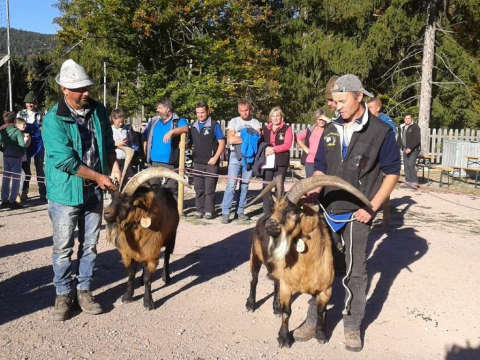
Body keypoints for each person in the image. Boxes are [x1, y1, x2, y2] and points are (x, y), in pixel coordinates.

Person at [293, 74, 400, 352]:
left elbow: (392, 174)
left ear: (359, 97)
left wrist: (372, 207)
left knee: (355, 271)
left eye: (342, 101)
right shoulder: (330, 130)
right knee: (319, 267)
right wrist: (314, 189)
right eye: (335, 101)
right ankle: (313, 318)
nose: (336, 106)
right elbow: (319, 166)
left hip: (357, 214)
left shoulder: (380, 132)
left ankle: (352, 325)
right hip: (327, 211)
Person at [42, 59, 121, 321]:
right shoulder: (54, 119)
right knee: (62, 248)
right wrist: (99, 176)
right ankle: (63, 293)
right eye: (79, 89)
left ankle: (84, 289)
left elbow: (108, 143)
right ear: (64, 89)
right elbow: (64, 160)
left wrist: (115, 166)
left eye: (87, 87)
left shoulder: (98, 111)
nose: (86, 93)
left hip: (93, 194)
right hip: (65, 193)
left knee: (90, 246)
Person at [221, 100, 262, 224]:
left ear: (250, 109)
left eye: (246, 110)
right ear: (238, 110)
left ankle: (240, 211)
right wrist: (248, 138)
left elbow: (257, 139)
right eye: (242, 110)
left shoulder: (255, 122)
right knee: (231, 185)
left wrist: (240, 136)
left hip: (250, 157)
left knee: (245, 185)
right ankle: (226, 212)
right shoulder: (234, 121)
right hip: (235, 156)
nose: (244, 113)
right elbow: (230, 140)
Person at [143, 99, 188, 200]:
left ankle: (173, 210)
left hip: (171, 162)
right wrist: (145, 149)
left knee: (171, 188)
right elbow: (144, 136)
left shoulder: (178, 121)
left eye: (159, 108)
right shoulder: (154, 121)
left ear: (167, 109)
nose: (157, 110)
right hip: (154, 161)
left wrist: (172, 132)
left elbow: (185, 128)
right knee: (154, 187)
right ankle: (158, 209)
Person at [189, 101, 226, 219]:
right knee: (198, 188)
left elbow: (222, 143)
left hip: (211, 163)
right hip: (198, 162)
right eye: (198, 113)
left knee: (209, 189)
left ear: (207, 112)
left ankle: (209, 211)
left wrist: (215, 158)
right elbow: (190, 143)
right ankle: (199, 210)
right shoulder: (193, 127)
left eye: (202, 112)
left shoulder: (214, 125)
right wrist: (184, 145)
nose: (200, 115)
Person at [261, 106, 293, 215]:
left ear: (281, 117)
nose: (275, 118)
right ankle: (266, 210)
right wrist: (265, 149)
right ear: (270, 117)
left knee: (279, 186)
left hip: (281, 160)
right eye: (273, 116)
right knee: (266, 185)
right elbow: (260, 142)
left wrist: (273, 149)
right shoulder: (265, 128)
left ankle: (279, 209)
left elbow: (287, 145)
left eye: (277, 115)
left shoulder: (287, 129)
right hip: (268, 160)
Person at [17, 91, 47, 201]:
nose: (31, 105)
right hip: (25, 144)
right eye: (29, 102)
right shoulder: (21, 114)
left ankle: (43, 192)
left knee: (40, 169)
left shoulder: (40, 114)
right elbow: (17, 128)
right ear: (25, 103)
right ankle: (24, 191)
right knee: (25, 170)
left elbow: (45, 128)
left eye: (33, 103)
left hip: (38, 143)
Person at [0, 113, 26, 210]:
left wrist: (4, 150)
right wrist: (22, 152)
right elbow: (22, 144)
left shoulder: (2, 131)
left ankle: (4, 200)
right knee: (16, 179)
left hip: (6, 156)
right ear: (14, 120)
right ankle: (12, 201)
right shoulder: (17, 132)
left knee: (6, 179)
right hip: (16, 157)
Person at [296, 108, 330, 178]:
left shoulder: (329, 129)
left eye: (323, 119)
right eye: (319, 119)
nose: (322, 121)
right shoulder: (311, 130)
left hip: (323, 162)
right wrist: (305, 148)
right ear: (316, 119)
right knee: (310, 184)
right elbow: (298, 138)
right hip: (310, 161)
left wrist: (328, 119)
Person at [397, 114, 421, 188]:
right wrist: (396, 149)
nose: (407, 120)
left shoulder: (415, 126)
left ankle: (414, 181)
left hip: (414, 149)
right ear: (404, 119)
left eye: (409, 118)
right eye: (406, 118)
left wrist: (410, 148)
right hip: (405, 149)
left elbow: (417, 139)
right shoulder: (402, 127)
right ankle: (408, 181)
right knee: (406, 165)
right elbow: (399, 139)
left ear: (411, 119)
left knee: (410, 164)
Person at [110, 108, 135, 179]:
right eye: (119, 122)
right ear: (113, 119)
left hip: (125, 158)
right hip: (115, 158)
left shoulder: (126, 129)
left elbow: (131, 142)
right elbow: (107, 145)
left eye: (122, 122)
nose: (121, 124)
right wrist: (117, 144)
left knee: (125, 178)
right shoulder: (110, 130)